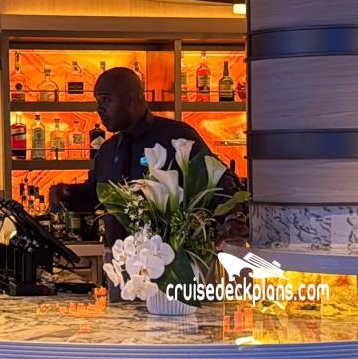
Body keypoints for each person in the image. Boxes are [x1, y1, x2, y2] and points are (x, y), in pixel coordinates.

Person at [49, 66, 245, 243]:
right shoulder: (107, 151)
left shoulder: (175, 137)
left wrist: (234, 218)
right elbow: (97, 196)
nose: (99, 109)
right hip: (122, 262)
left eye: (106, 100)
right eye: (98, 102)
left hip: (171, 261)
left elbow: (219, 181)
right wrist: (69, 194)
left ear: (130, 99)